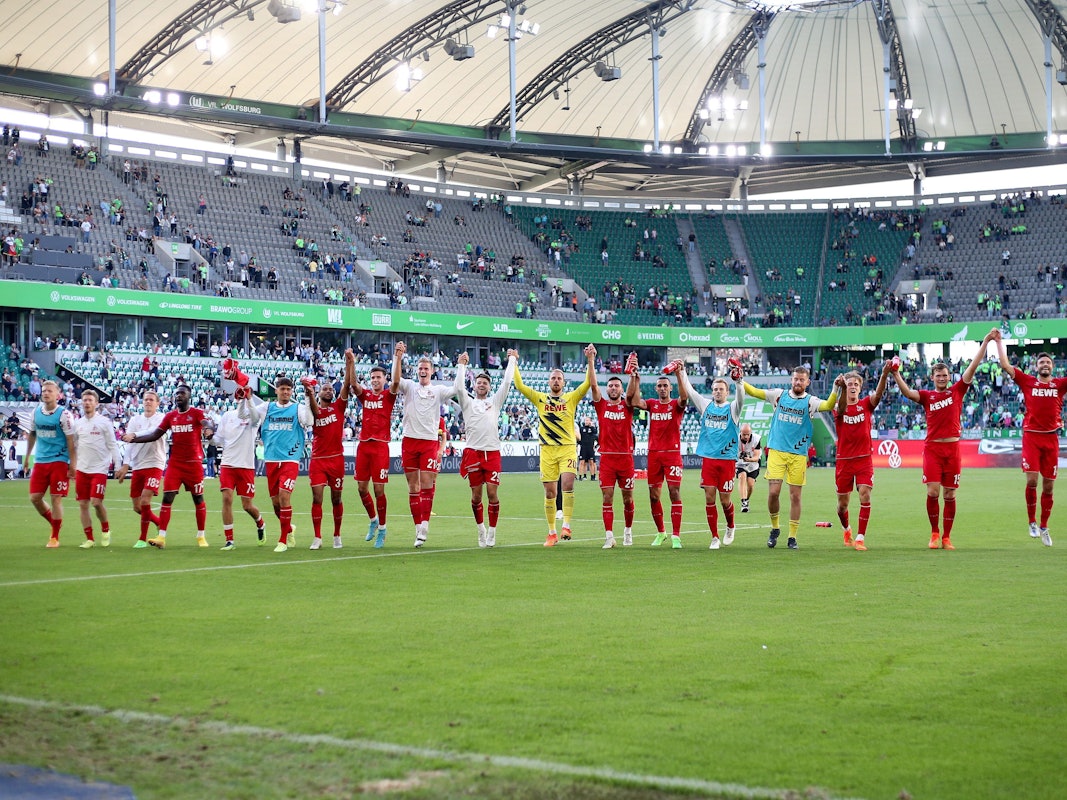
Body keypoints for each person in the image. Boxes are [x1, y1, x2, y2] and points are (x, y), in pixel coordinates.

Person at [892, 330, 996, 549]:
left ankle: (947, 537)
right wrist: (896, 375)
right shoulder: (928, 397)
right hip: (933, 450)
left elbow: (973, 366)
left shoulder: (957, 391)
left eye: (944, 375)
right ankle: (934, 533)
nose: (941, 378)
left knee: (950, 493)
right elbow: (909, 394)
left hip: (953, 450)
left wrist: (986, 341)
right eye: (938, 375)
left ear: (950, 377)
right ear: (932, 378)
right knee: (932, 491)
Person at [742, 366, 839, 549]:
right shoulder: (779, 395)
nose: (798, 382)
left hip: (798, 455)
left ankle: (792, 537)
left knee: (795, 497)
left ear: (807, 382)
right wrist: (740, 380)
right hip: (777, 451)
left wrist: (834, 389)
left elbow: (828, 406)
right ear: (791, 380)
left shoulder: (810, 402)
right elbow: (754, 392)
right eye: (795, 379)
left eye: (802, 380)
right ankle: (775, 528)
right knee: (773, 493)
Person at [513, 345, 596, 546]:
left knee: (567, 484)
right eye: (553, 378)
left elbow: (588, 382)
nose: (556, 380)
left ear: (564, 383)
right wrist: (514, 361)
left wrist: (590, 359)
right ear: (548, 382)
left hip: (567, 447)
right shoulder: (540, 399)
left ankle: (566, 525)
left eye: (559, 378)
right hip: (547, 450)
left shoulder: (571, 398)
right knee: (550, 493)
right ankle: (552, 532)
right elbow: (520, 385)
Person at [992, 330, 1065, 546]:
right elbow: (1005, 366)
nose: (1045, 365)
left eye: (1048, 363)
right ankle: (1032, 522)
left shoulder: (1059, 385)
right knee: (1032, 480)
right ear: (1036, 366)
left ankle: (1044, 526)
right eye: (1041, 362)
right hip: (1032, 438)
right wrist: (998, 341)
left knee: (1049, 487)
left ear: (1052, 367)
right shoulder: (1028, 382)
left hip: (1051, 439)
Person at [122, 384, 212, 549]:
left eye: (182, 393)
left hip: (194, 464)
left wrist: (207, 428)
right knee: (167, 498)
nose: (179, 396)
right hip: (175, 464)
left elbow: (206, 422)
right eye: (177, 393)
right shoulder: (171, 416)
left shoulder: (196, 413)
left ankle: (201, 536)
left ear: (189, 396)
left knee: (198, 498)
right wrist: (133, 439)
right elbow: (155, 434)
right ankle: (161, 537)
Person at [391, 342, 457, 547]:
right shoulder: (410, 386)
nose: (423, 371)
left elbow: (456, 389)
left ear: (432, 371)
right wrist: (398, 357)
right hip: (409, 440)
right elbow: (394, 380)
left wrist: (461, 367)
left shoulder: (437, 390)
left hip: (428, 442)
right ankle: (417, 528)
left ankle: (425, 524)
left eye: (426, 368)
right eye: (420, 368)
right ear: (416, 370)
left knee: (427, 484)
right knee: (413, 486)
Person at [452, 349, 517, 547]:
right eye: (479, 382)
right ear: (475, 385)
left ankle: (492, 532)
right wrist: (461, 365)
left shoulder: (494, 402)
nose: (481, 384)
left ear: (489, 387)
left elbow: (506, 383)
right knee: (476, 496)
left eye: (485, 383)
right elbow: (459, 389)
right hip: (473, 452)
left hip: (492, 452)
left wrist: (512, 360)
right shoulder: (468, 403)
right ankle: (480, 529)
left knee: (492, 493)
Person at [677, 363, 744, 549]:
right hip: (709, 459)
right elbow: (690, 391)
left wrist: (739, 382)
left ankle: (730, 526)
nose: (717, 392)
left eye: (721, 389)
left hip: (727, 460)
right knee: (709, 497)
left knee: (725, 500)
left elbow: (741, 399)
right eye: (715, 389)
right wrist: (682, 371)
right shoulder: (706, 405)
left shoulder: (732, 409)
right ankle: (714, 537)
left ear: (727, 391)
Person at [832, 362, 892, 551]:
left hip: (864, 459)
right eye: (850, 384)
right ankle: (847, 529)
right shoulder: (838, 405)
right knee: (842, 505)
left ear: (860, 387)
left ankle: (860, 537)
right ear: (845, 386)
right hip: (844, 461)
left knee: (865, 495)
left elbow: (879, 394)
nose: (853, 386)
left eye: (856, 384)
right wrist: (840, 390)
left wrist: (884, 375)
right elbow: (841, 410)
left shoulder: (866, 404)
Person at [628, 361, 688, 546]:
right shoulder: (653, 404)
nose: (662, 388)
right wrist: (636, 380)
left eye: (665, 386)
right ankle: (661, 532)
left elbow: (684, 398)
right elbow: (635, 402)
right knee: (654, 495)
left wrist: (679, 374)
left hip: (672, 454)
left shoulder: (676, 405)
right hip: (654, 454)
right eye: (659, 386)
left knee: (674, 492)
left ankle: (676, 535)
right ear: (655, 388)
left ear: (670, 388)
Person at [305, 351, 354, 550]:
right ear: (319, 393)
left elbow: (347, 385)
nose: (328, 391)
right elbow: (316, 411)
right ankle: (317, 537)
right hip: (318, 459)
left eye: (329, 389)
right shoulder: (313, 409)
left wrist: (349, 363)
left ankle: (337, 534)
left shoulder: (339, 407)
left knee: (337, 498)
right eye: (324, 389)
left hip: (336, 459)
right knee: (317, 497)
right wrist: (309, 393)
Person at [259, 377, 314, 553]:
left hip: (290, 460)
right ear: (276, 390)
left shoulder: (298, 408)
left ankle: (282, 539)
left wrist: (307, 396)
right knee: (276, 503)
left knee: (284, 496)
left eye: (288, 390)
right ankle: (289, 528)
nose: (285, 392)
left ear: (292, 392)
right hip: (271, 460)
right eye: (282, 389)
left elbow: (310, 421)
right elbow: (248, 417)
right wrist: (245, 399)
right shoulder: (266, 408)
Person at [24, 379, 76, 547]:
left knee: (56, 499)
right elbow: (32, 434)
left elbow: (70, 441)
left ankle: (54, 536)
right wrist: (27, 457)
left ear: (58, 395)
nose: (46, 393)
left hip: (59, 461)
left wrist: (72, 464)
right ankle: (55, 523)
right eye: (44, 390)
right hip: (40, 461)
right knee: (35, 498)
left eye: (49, 391)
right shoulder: (35, 413)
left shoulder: (64, 415)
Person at [214, 385, 267, 550]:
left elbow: (256, 418)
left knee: (247, 505)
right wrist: (209, 436)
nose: (240, 398)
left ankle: (260, 523)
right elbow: (218, 440)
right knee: (227, 498)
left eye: (243, 395)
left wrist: (249, 398)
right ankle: (229, 540)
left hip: (246, 466)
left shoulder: (252, 417)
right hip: (228, 463)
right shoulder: (227, 416)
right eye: (238, 394)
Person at [352, 364, 397, 548]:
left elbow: (397, 382)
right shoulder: (366, 396)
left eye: (378, 377)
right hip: (363, 446)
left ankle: (383, 529)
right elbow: (354, 384)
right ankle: (373, 520)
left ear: (384, 379)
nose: (375, 380)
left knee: (379, 490)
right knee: (362, 489)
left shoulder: (388, 396)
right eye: (373, 377)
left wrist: (399, 357)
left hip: (380, 447)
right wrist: (350, 363)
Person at [115, 390, 166, 548]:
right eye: (146, 399)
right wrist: (125, 464)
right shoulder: (135, 420)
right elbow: (129, 443)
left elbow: (152, 432)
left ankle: (142, 539)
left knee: (145, 500)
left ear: (157, 403)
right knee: (137, 507)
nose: (148, 402)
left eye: (151, 400)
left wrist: (134, 435)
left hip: (155, 462)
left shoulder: (162, 418)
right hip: (138, 464)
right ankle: (159, 523)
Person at [72, 390, 119, 548]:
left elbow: (113, 444)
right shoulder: (78, 423)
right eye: (84, 400)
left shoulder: (104, 422)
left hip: (99, 469)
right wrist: (70, 464)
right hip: (82, 469)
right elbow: (74, 445)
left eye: (90, 400)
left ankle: (106, 530)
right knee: (83, 504)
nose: (87, 403)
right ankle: (90, 539)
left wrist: (118, 465)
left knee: (96, 502)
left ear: (96, 403)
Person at [735, 423, 762, 514]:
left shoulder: (756, 439)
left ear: (751, 433)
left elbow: (757, 457)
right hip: (740, 464)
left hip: (752, 464)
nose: (746, 436)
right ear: (740, 433)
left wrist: (748, 459)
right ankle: (744, 503)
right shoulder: (735, 438)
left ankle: (746, 499)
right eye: (744, 434)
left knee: (750, 485)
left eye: (748, 434)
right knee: (742, 476)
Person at [577, 416, 598, 482]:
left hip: (590, 448)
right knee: (581, 462)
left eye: (588, 420)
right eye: (585, 420)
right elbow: (578, 438)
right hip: (583, 448)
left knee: (591, 462)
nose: (586, 421)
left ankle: (592, 477)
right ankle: (580, 476)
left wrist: (591, 426)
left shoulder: (592, 429)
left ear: (590, 421)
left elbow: (595, 433)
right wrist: (580, 443)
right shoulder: (581, 428)